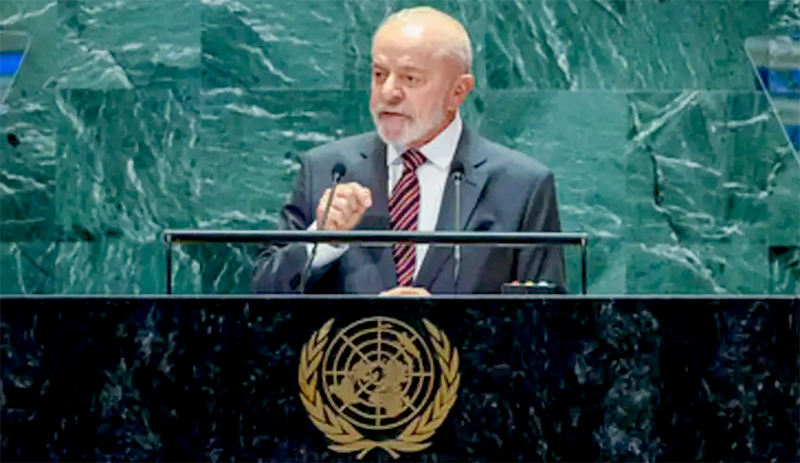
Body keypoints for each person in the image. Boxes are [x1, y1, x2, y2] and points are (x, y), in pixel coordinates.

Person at [251, 7, 565, 296]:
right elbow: (260, 299)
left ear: (458, 91)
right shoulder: (326, 170)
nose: (389, 92)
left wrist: (443, 322)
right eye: (379, 74)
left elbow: (550, 322)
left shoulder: (523, 187)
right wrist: (323, 240)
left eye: (410, 78)